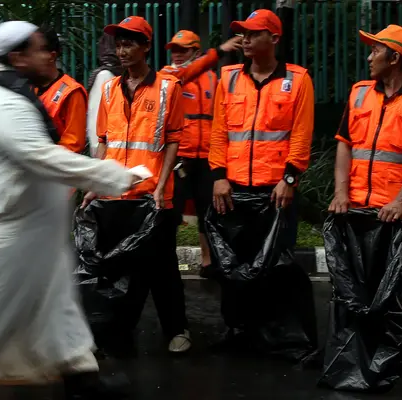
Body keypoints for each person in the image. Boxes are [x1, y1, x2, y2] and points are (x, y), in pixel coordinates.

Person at [0, 21, 144, 400]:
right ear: (18, 57)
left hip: (29, 227)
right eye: (41, 49)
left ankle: (81, 378)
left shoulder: (12, 91)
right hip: (1, 230)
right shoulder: (3, 102)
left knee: (58, 305)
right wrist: (114, 176)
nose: (49, 55)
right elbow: (42, 158)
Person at [328, 24, 402, 383]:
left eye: (375, 51)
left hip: (401, 210)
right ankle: (371, 343)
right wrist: (340, 192)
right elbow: (345, 143)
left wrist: (400, 200)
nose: (369, 57)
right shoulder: (361, 93)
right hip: (360, 208)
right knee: (364, 281)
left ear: (395, 58)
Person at [83, 16, 192, 354]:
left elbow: (173, 140)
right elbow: (104, 141)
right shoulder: (109, 90)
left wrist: (161, 185)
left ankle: (178, 330)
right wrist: (94, 183)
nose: (123, 49)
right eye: (119, 43)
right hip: (115, 194)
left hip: (151, 196)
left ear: (146, 46)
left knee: (162, 267)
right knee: (118, 266)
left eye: (130, 42)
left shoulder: (167, 88)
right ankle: (118, 330)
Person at [209, 9, 314, 250]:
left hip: (276, 188)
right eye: (244, 33)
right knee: (235, 263)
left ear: (275, 39)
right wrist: (218, 177)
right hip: (233, 188)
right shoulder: (228, 78)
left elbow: (301, 134)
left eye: (254, 34)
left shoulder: (298, 80)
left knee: (276, 264)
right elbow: (219, 133)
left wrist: (289, 179)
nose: (245, 39)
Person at [162, 30, 242, 277]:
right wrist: (218, 52)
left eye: (182, 50)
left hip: (206, 156)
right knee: (170, 213)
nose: (176, 54)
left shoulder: (211, 79)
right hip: (180, 157)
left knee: (208, 211)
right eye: (174, 49)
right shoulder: (168, 75)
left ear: (195, 51)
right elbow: (186, 73)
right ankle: (165, 263)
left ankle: (209, 261)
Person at [36, 29, 88, 153]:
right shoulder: (27, 86)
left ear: (52, 56)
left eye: (36, 52)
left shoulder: (71, 92)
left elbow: (74, 144)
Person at [86, 33, 123, 157]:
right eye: (118, 46)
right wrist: (98, 156)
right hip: (106, 155)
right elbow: (95, 122)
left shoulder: (122, 77)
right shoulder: (105, 76)